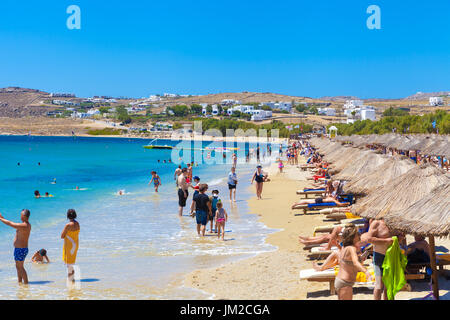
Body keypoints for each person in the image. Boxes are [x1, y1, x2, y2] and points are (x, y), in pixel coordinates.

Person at [335, 225, 372, 300]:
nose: (359, 235)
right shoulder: (351, 248)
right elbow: (355, 262)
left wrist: (360, 259)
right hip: (345, 282)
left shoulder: (345, 248)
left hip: (341, 281)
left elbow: (351, 263)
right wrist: (365, 271)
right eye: (357, 234)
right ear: (353, 237)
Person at [360, 218, 393, 300]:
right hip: (379, 256)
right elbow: (369, 239)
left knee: (389, 285)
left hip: (391, 256)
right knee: (379, 284)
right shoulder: (377, 223)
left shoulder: (395, 222)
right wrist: (385, 241)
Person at [0, 209, 31, 284]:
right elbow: (10, 223)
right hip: (19, 249)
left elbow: (10, 223)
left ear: (24, 216)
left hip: (21, 249)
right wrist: (1, 217)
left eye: (21, 215)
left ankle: (26, 284)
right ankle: (20, 282)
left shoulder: (24, 225)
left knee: (20, 267)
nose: (20, 216)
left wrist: (0, 218)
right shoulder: (24, 224)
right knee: (18, 267)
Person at [61, 209, 80, 283]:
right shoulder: (78, 223)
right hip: (75, 244)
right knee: (71, 263)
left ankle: (71, 281)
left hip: (69, 245)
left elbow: (62, 236)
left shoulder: (68, 225)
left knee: (69, 265)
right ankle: (72, 279)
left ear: (68, 216)